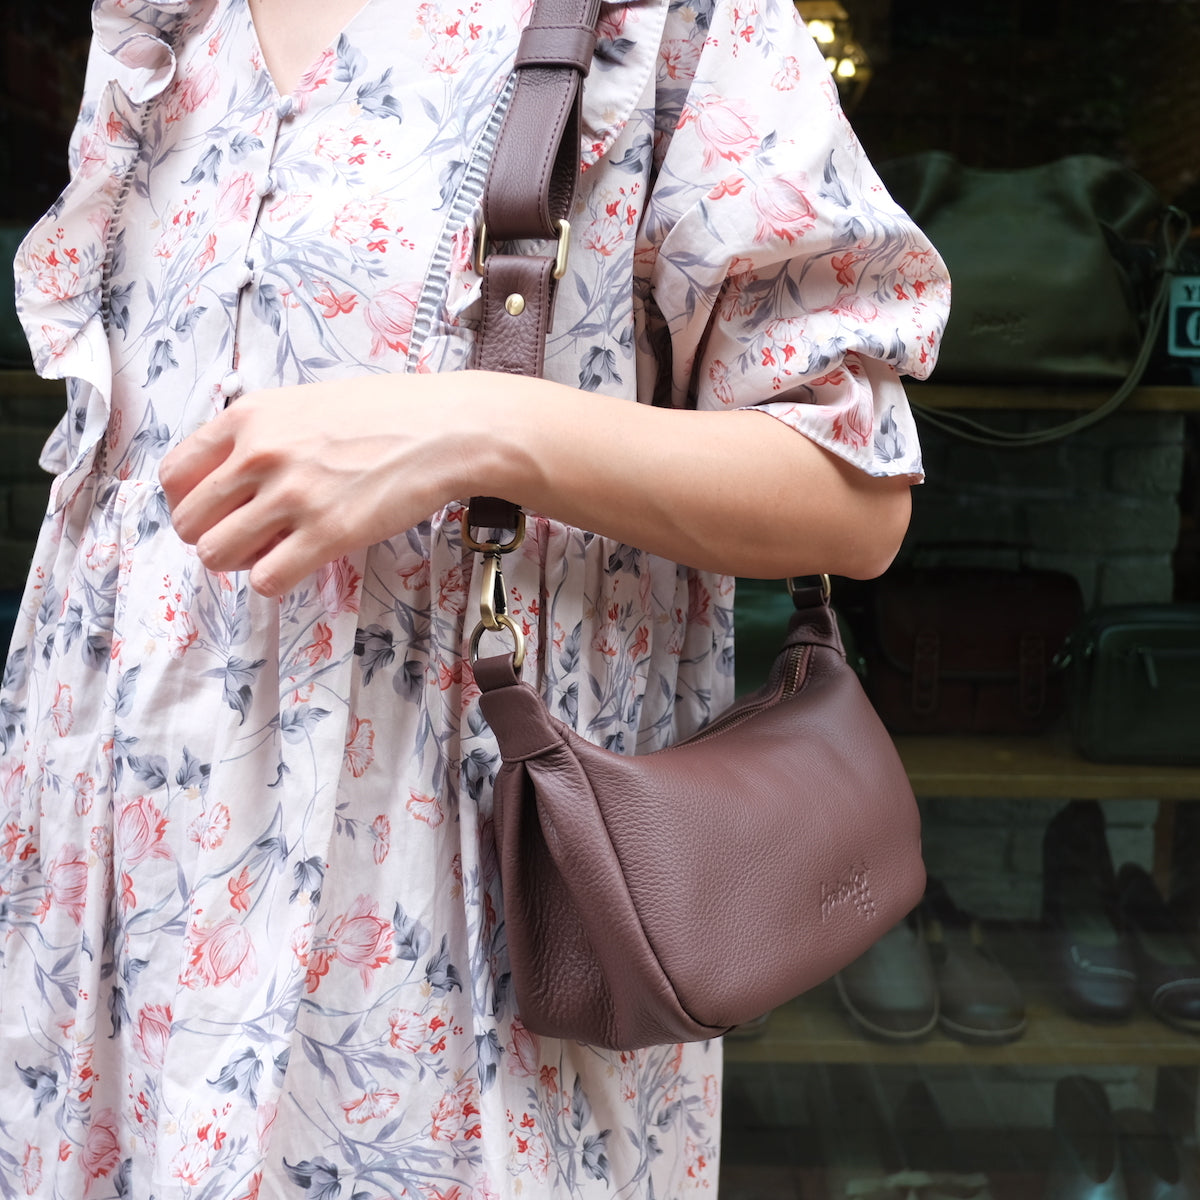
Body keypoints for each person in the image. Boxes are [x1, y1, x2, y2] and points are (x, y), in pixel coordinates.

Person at [0, 0, 948, 1195]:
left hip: (444, 954)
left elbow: (855, 499)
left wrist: (473, 426)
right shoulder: (166, 26)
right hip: (107, 918)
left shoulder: (662, 25)